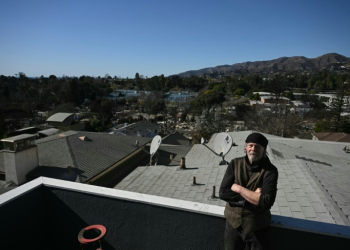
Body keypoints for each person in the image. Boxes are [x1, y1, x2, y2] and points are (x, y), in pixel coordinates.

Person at [219, 132, 278, 250]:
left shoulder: (270, 170)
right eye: (250, 145)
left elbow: (266, 202)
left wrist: (239, 189)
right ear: (245, 147)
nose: (253, 149)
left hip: (257, 228)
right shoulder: (235, 163)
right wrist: (252, 197)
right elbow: (223, 193)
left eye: (258, 146)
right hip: (233, 225)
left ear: (264, 150)